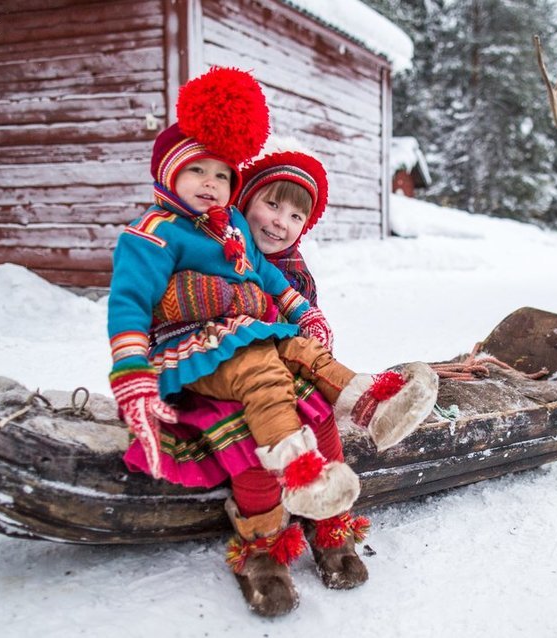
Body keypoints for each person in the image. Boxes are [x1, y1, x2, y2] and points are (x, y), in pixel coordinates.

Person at [108, 67, 437, 617]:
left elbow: (275, 287)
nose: (210, 183)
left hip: (267, 365)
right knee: (253, 443)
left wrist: (298, 313)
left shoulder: (237, 236)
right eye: (196, 171)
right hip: (206, 367)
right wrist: (133, 372)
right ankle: (263, 551)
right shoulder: (161, 232)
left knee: (316, 402)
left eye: (220, 174)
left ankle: (344, 488)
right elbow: (132, 303)